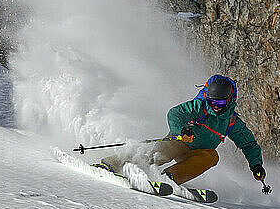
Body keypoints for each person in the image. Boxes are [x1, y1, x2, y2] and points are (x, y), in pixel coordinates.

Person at [96, 75, 266, 185]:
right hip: (181, 141)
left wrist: (256, 165)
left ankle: (168, 178)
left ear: (229, 101)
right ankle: (113, 163)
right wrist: (181, 131)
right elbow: (175, 113)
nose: (215, 107)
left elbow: (249, 144)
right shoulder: (200, 106)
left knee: (213, 157)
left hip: (197, 153)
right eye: (212, 102)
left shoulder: (231, 122)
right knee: (159, 154)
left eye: (220, 103)